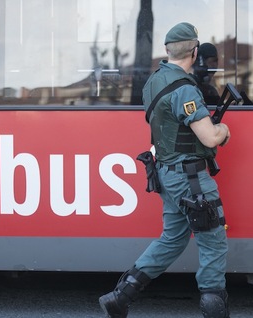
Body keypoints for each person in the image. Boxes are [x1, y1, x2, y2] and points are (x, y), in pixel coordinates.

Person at [99, 22, 231, 318]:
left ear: (167, 51)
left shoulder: (154, 81)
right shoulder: (184, 89)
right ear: (195, 52)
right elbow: (209, 137)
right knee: (213, 239)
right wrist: (223, 129)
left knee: (172, 238)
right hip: (191, 178)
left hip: (167, 174)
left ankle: (120, 296)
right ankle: (214, 308)